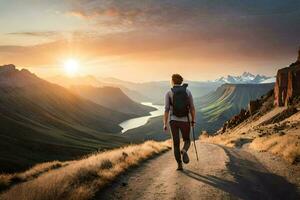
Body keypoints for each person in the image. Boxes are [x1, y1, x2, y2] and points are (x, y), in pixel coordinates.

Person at [163, 74, 196, 170]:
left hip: (173, 121)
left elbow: (166, 109)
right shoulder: (187, 91)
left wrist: (165, 123)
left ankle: (179, 165)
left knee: (176, 144)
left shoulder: (169, 93)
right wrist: (193, 120)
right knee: (187, 140)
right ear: (181, 82)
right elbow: (192, 108)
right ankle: (184, 150)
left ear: (172, 81)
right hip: (185, 120)